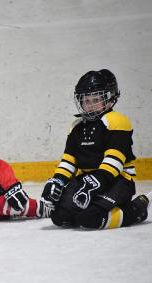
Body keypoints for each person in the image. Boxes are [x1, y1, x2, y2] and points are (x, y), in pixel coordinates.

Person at [41, 69, 150, 229]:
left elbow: (114, 160)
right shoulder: (76, 126)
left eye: (96, 99)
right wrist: (58, 180)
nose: (90, 105)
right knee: (60, 217)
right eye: (86, 100)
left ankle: (136, 209)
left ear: (110, 98)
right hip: (86, 182)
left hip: (116, 181)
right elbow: (69, 160)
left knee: (90, 219)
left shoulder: (117, 121)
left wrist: (96, 181)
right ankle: (96, 206)